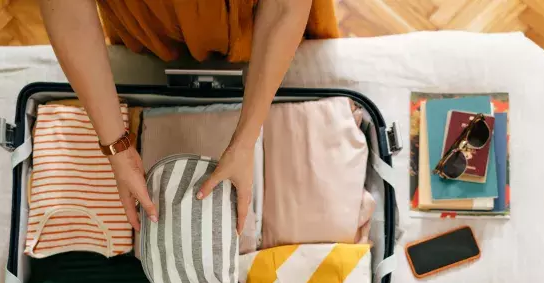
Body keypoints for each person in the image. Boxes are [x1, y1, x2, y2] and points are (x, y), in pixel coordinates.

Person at [39, 0, 339, 233]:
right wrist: (116, 147)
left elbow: (285, 7)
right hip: (150, 21)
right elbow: (68, 12)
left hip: (259, 21)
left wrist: (247, 139)